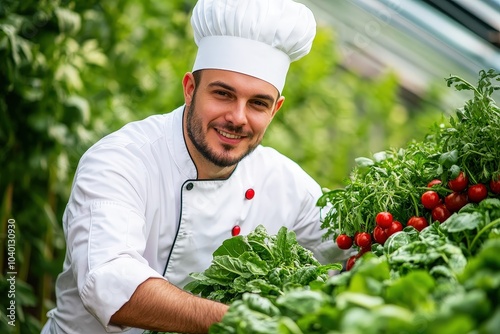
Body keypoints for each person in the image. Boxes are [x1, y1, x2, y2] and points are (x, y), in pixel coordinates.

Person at [42, 0, 350, 333]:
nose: (238, 117)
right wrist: (247, 323)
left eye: (258, 103)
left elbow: (352, 247)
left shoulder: (286, 185)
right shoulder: (122, 161)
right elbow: (110, 284)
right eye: (223, 94)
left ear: (275, 110)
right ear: (190, 89)